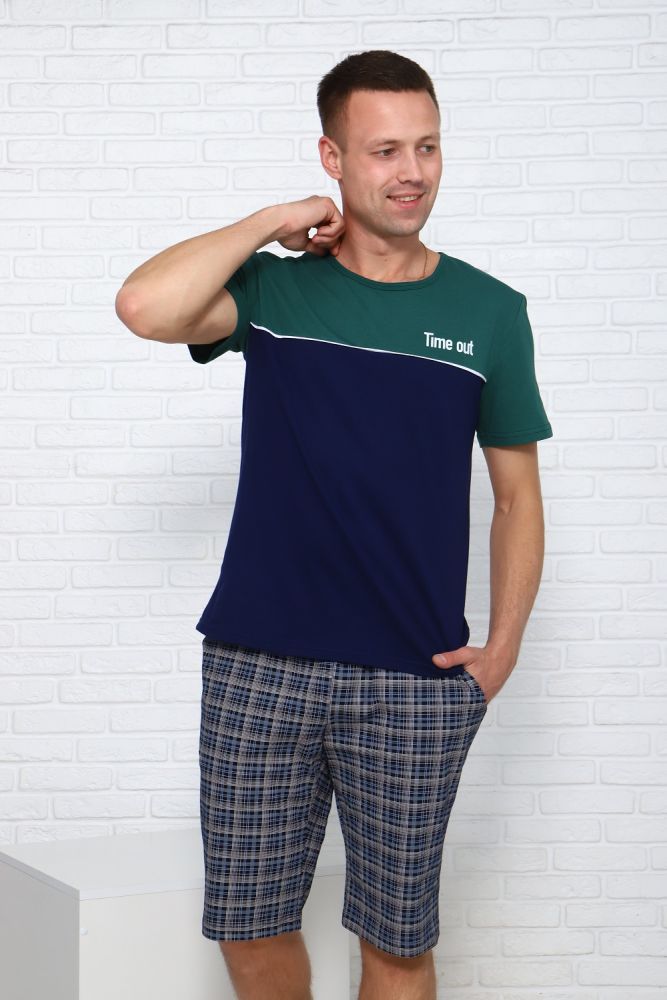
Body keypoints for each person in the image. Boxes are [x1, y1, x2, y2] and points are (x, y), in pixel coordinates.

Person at [116, 49, 553, 1000]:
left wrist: (503, 648)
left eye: (427, 146)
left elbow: (517, 497)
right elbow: (144, 306)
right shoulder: (277, 292)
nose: (411, 171)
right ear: (333, 158)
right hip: (256, 667)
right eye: (384, 149)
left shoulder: (489, 313)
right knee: (251, 930)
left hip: (413, 679)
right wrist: (270, 223)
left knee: (397, 947)